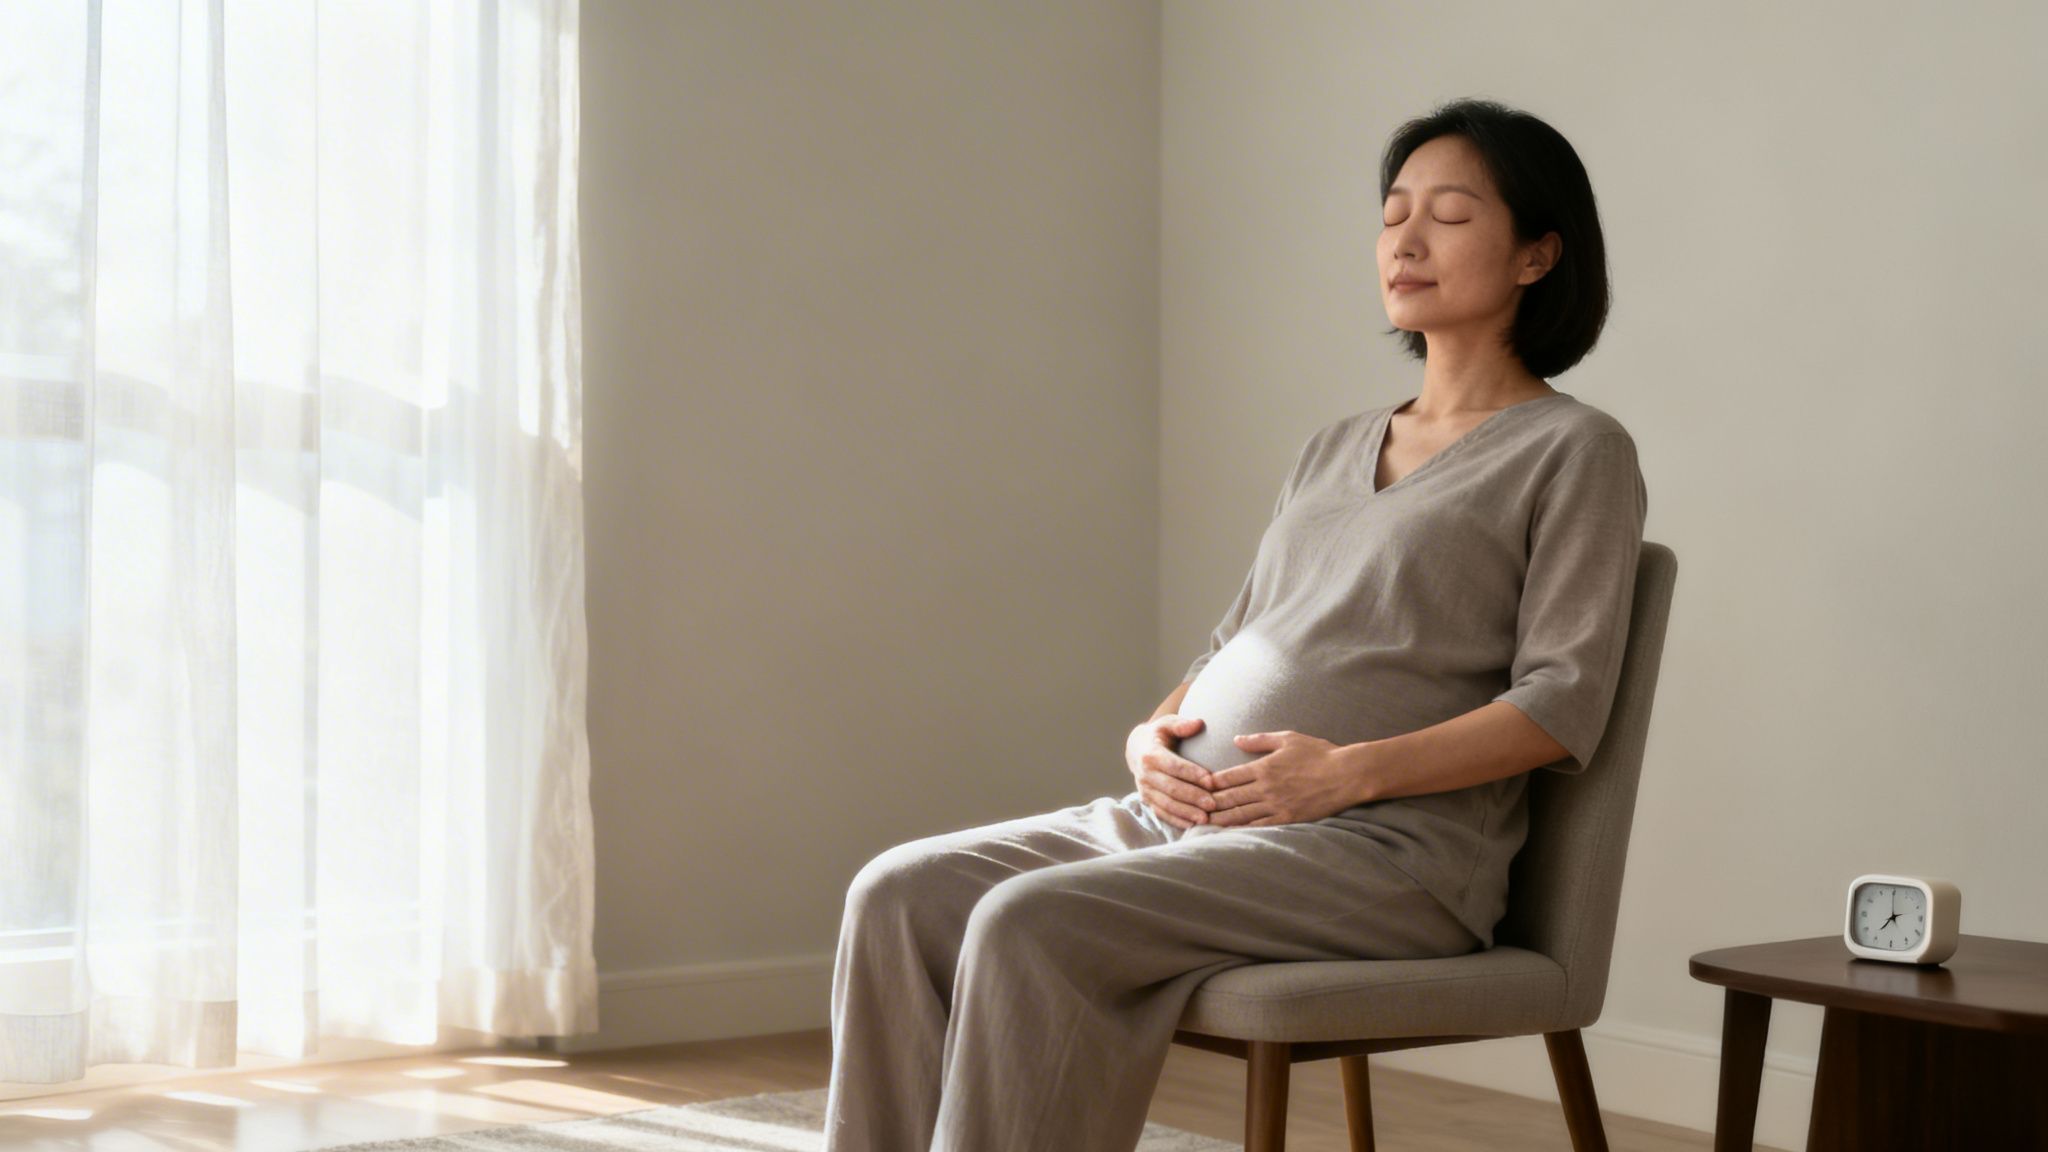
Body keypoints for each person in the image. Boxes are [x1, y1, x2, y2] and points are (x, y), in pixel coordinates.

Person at [822, 98, 1646, 1152]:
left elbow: (1563, 703)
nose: (1404, 240)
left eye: (1447, 215)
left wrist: (1344, 776)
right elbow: (1235, 644)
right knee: (897, 896)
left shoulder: (1575, 451)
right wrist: (1147, 738)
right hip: (1187, 823)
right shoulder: (1332, 446)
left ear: (1536, 254)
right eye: (1392, 213)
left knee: (1030, 921)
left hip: (1380, 856)